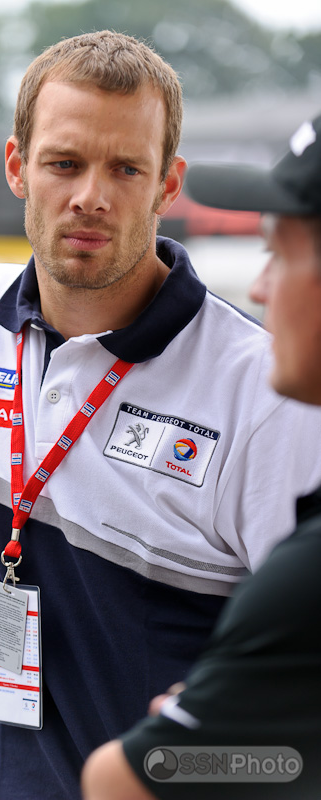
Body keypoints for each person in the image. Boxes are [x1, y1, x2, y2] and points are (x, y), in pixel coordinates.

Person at [0, 31, 321, 800]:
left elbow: (296, 724)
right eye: (64, 163)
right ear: (16, 166)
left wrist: (164, 767)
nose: (91, 197)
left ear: (168, 184)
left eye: (126, 168)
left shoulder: (269, 389)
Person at [81, 111, 321, 800]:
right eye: (64, 163)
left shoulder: (305, 576)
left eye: (281, 254)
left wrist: (195, 738)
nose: (261, 288)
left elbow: (131, 780)